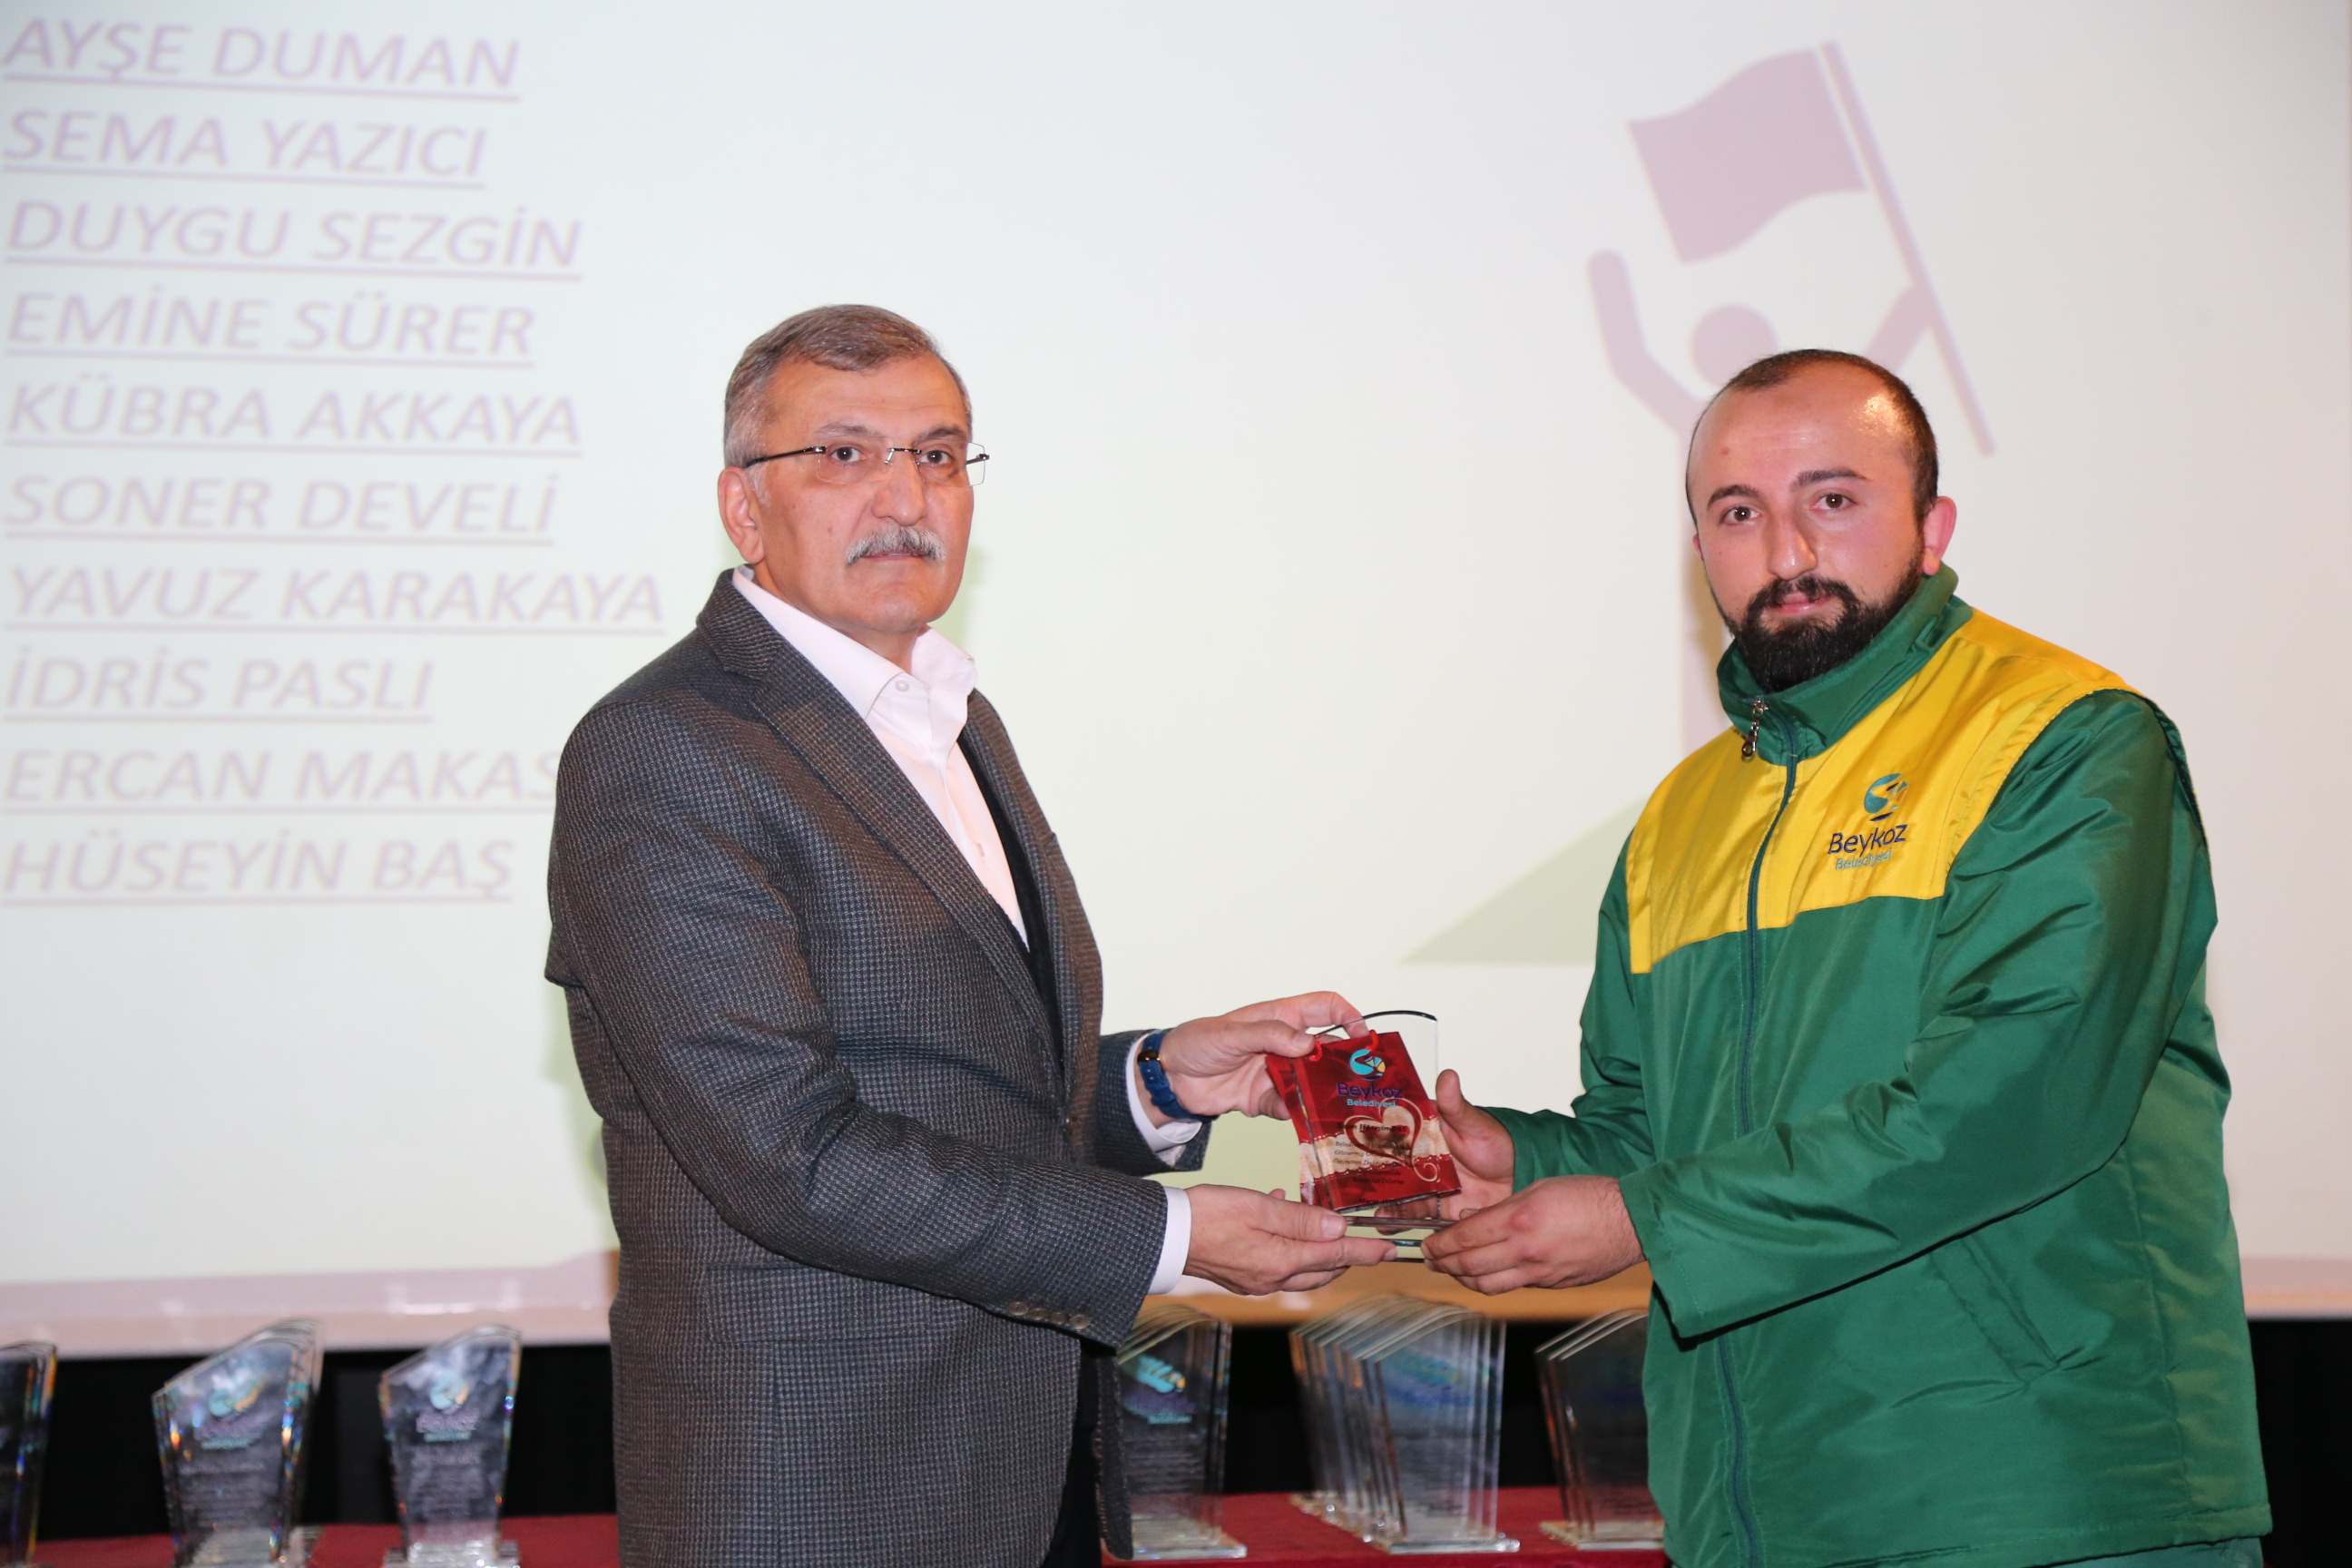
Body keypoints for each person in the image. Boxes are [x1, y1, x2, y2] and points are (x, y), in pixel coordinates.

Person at [546, 304, 1390, 1568]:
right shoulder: (668, 749)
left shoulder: (951, 720)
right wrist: (1168, 1239)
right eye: (844, 454)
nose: (904, 496)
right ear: (742, 508)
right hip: (819, 1497)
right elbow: (789, 1155)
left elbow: (957, 1093)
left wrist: (1158, 1082)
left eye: (937, 455)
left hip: (1019, 1469)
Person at [1422, 349, 2268, 1568]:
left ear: (1933, 527)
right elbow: (1653, 1131)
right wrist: (1521, 1163)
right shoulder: (1680, 818)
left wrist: (1642, 1218)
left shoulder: (2065, 740)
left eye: (1832, 498)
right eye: (1737, 513)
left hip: (2038, 1493)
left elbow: (2005, 1104)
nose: (1786, 550)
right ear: (1699, 548)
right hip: (1756, 1507)